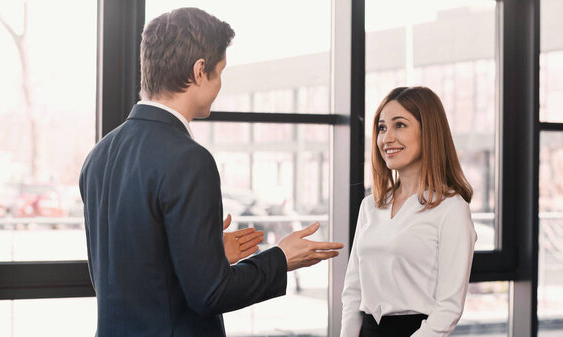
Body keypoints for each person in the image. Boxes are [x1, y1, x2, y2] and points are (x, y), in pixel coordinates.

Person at [79, 7, 343, 337]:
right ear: (200, 70)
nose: (220, 85)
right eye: (220, 72)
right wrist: (281, 258)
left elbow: (132, 271)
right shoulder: (189, 159)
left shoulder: (97, 157)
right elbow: (210, 294)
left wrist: (207, 254)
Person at [340, 87, 477, 337]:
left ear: (429, 132)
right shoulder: (370, 206)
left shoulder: (451, 209)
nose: (386, 138)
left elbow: (448, 308)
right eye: (382, 128)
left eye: (399, 125)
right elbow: (352, 292)